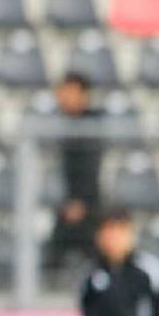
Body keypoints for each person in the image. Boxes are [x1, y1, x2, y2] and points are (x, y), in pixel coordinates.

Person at [80, 208, 159, 316]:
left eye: (120, 231)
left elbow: (156, 314)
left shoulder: (148, 268)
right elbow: (86, 311)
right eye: (108, 231)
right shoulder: (90, 271)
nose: (114, 238)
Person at [46, 72, 103, 273]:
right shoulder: (63, 125)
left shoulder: (93, 126)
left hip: (88, 204)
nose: (63, 97)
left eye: (69, 92)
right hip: (69, 202)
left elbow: (92, 168)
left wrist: (80, 201)